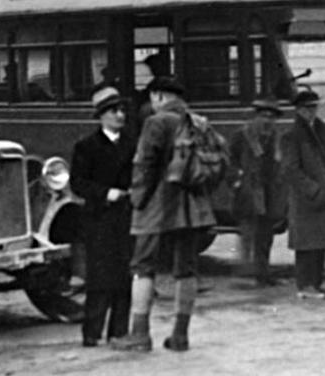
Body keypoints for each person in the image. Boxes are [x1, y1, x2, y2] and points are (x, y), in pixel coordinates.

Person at [112, 74, 215, 354]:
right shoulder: (199, 122)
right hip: (193, 209)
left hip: (157, 207)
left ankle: (140, 334)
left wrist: (137, 199)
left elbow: (144, 166)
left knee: (143, 267)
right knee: (186, 270)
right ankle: (180, 335)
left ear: (158, 96)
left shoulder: (156, 122)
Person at [69, 84, 136, 346]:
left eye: (122, 111)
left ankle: (119, 332)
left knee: (124, 276)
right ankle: (92, 333)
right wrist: (105, 193)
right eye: (114, 111)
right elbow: (78, 183)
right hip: (99, 219)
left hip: (126, 216)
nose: (120, 116)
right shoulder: (86, 147)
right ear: (101, 116)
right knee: (100, 278)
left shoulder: (131, 144)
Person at [281, 86, 325, 300]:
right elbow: (290, 169)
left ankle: (314, 284)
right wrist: (313, 189)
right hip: (306, 199)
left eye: (314, 108)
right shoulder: (293, 135)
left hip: (321, 197)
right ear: (298, 110)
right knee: (306, 245)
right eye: (307, 108)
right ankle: (305, 285)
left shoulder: (318, 129)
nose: (311, 112)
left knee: (319, 243)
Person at [227, 97, 285, 287]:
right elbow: (229, 160)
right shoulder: (242, 135)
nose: (267, 120)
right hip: (249, 191)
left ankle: (263, 273)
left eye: (271, 117)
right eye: (263, 116)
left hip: (270, 191)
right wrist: (237, 180)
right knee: (249, 233)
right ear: (256, 116)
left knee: (266, 235)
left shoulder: (276, 137)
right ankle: (247, 273)